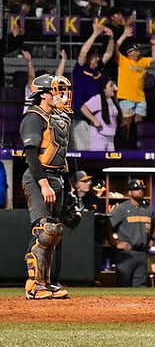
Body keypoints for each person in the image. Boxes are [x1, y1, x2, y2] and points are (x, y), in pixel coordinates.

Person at [21, 75, 74, 300]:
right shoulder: (34, 117)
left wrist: (69, 189)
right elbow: (31, 154)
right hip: (38, 177)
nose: (60, 95)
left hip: (57, 178)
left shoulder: (59, 119)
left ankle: (46, 282)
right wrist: (43, 184)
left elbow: (61, 157)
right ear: (43, 94)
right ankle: (33, 285)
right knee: (43, 231)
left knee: (54, 234)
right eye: (55, 90)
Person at [109, 179, 155, 288]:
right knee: (122, 285)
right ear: (130, 192)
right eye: (136, 189)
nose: (140, 191)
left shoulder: (148, 209)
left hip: (142, 253)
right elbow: (107, 226)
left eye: (141, 189)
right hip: (127, 253)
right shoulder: (121, 209)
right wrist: (115, 243)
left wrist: (152, 239)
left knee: (141, 286)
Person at [115, 27, 155, 143]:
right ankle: (126, 140)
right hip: (126, 95)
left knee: (138, 119)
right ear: (129, 53)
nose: (138, 52)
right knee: (127, 121)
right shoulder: (123, 61)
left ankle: (135, 139)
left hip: (140, 97)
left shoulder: (142, 61)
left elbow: (154, 58)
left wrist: (153, 45)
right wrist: (124, 35)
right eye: (135, 50)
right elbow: (115, 48)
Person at [79, 78, 119, 152]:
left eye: (114, 86)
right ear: (104, 88)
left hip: (111, 136)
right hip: (99, 136)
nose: (114, 88)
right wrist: (95, 120)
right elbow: (84, 108)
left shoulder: (112, 101)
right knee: (98, 160)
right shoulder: (98, 98)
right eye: (111, 86)